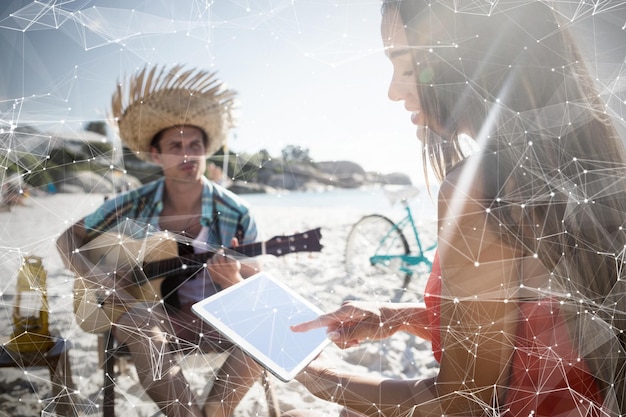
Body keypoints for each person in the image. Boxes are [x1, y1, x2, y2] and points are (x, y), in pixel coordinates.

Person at [286, 1, 626, 416]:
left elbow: (465, 403)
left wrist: (324, 379)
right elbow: (545, 329)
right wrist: (401, 316)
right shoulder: (588, 163)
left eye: (407, 66)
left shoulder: (482, 187)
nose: (394, 90)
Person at [57, 65, 265, 417]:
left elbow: (255, 286)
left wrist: (232, 279)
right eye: (175, 146)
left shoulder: (236, 212)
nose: (187, 155)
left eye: (195, 145)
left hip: (216, 317)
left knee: (267, 327)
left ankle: (215, 413)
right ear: (156, 155)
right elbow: (67, 238)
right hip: (158, 316)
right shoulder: (132, 204)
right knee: (137, 321)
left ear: (206, 149)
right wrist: (94, 275)